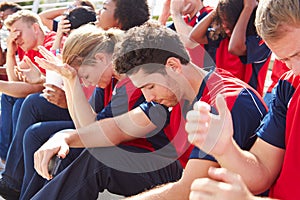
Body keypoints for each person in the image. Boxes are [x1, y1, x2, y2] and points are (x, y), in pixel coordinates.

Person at [27, 21, 266, 200]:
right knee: (98, 158)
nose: (148, 96)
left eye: (149, 86)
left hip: (216, 190)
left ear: (173, 66)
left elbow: (188, 188)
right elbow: (117, 128)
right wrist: (64, 137)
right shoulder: (172, 95)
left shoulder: (225, 101)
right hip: (192, 179)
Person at [0, 0, 150, 199]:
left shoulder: (130, 78)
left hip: (137, 155)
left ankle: (17, 186)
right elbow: (88, 126)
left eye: (105, 8)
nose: (86, 82)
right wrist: (67, 79)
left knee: (71, 148)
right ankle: (21, 191)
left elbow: (92, 131)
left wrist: (70, 80)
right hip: (107, 134)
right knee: (29, 117)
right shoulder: (110, 75)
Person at [185, 0, 300, 199]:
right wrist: (226, 150)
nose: (296, 69)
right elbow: (262, 170)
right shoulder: (288, 87)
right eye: (285, 60)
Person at [0, 10, 57, 168]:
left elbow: (37, 87)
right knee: (8, 97)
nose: (15, 38)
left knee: (21, 102)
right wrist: (11, 52)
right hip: (41, 98)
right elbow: (15, 81)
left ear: (35, 28)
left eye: (18, 32)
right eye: (12, 34)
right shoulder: (29, 49)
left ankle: (10, 162)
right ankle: (4, 157)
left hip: (58, 102)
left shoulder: (52, 44)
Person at [189, 0, 271, 96]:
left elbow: (234, 48)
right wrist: (217, 10)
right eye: (222, 20)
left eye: (228, 20)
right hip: (220, 95)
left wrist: (248, 8)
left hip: (245, 99)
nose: (224, 25)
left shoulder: (260, 40)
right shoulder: (223, 35)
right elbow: (194, 37)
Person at [160, 0, 213, 68]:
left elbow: (190, 42)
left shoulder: (209, 14)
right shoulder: (182, 21)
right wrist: (165, 12)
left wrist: (175, 13)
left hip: (208, 71)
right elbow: (158, 39)